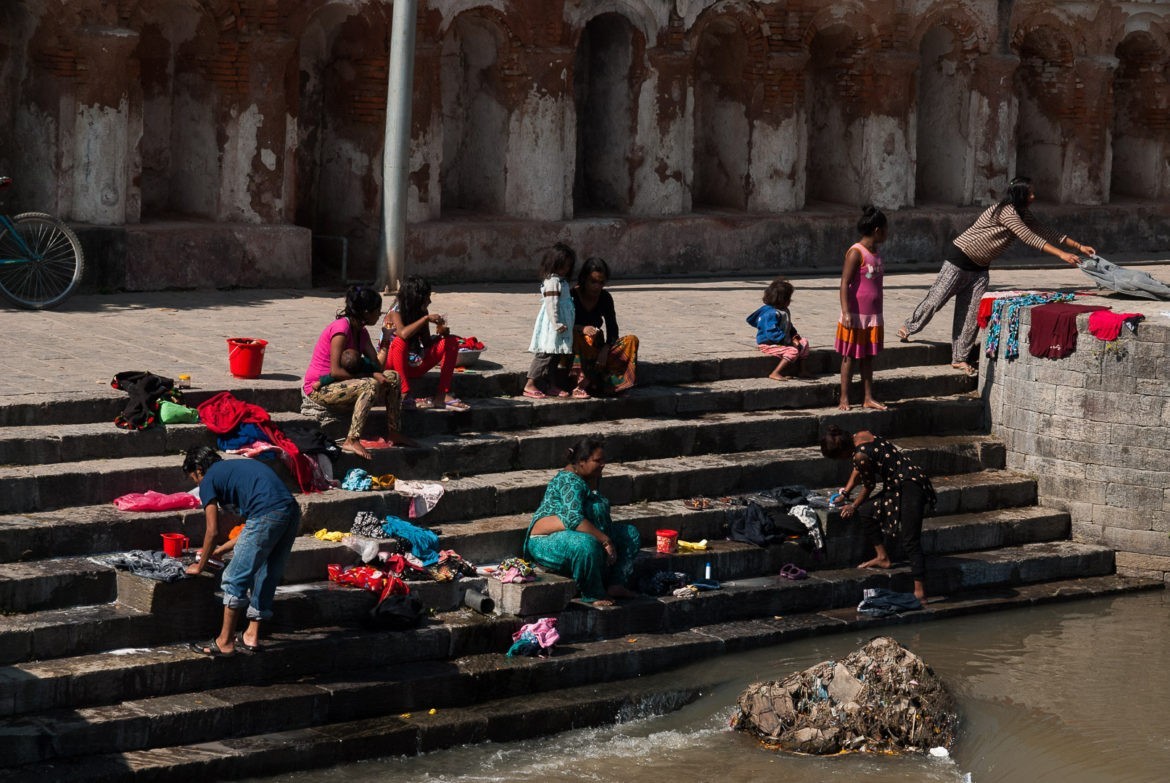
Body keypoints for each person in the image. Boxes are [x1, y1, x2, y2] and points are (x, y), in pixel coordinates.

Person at [898, 176, 1096, 376]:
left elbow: (1045, 231)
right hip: (959, 260)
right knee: (936, 300)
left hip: (980, 269)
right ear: (1020, 195)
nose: (1034, 197)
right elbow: (1029, 237)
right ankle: (909, 326)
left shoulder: (1023, 213)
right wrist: (1062, 254)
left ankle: (959, 358)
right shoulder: (1006, 212)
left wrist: (1079, 247)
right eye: (1030, 193)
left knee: (971, 316)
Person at [184, 447, 301, 656]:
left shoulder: (208, 479)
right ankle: (251, 636)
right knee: (267, 572)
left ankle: (224, 642)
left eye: (195, 478)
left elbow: (213, 530)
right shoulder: (236, 469)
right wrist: (219, 551)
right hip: (291, 511)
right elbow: (255, 529)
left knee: (234, 576)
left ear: (199, 470)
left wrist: (200, 566)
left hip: (267, 513)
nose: (198, 484)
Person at [820, 424, 936, 602]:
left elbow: (869, 485)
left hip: (909, 487)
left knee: (910, 539)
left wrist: (853, 506)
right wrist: (845, 493)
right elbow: (858, 468)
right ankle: (882, 557)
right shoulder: (861, 435)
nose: (841, 460)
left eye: (839, 457)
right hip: (899, 484)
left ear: (843, 451)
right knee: (867, 511)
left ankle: (920, 592)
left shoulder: (859, 455)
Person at [523, 437, 640, 605]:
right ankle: (593, 593)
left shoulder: (589, 476)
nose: (603, 464)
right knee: (586, 544)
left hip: (578, 532)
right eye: (597, 461)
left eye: (604, 460)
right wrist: (605, 540)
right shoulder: (569, 481)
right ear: (581, 462)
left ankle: (616, 584)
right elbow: (574, 518)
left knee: (629, 534)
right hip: (547, 540)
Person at [302, 285, 412, 459]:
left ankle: (394, 432)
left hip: (345, 382)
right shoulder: (341, 329)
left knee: (393, 377)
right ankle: (352, 439)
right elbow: (336, 371)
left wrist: (385, 340)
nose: (380, 314)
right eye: (377, 311)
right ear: (366, 312)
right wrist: (370, 375)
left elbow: (377, 367)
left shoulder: (362, 332)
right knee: (370, 385)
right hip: (321, 387)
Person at [381, 275, 468, 411]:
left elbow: (426, 343)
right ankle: (404, 394)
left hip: (414, 363)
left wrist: (442, 335)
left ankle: (441, 395)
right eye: (427, 297)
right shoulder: (394, 313)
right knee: (399, 342)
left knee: (451, 342)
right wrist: (425, 319)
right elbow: (403, 333)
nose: (430, 301)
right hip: (393, 366)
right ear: (417, 298)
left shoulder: (421, 312)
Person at [835, 206, 888, 411]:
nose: (887, 233)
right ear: (877, 230)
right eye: (885, 229)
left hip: (873, 315)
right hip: (856, 315)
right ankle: (844, 398)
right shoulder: (856, 252)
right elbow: (844, 283)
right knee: (849, 356)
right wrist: (846, 312)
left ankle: (868, 397)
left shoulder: (876, 252)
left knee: (868, 357)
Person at [568, 256, 639, 397]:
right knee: (582, 337)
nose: (597, 287)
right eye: (593, 282)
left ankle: (613, 385)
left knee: (632, 340)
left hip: (597, 348)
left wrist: (605, 350)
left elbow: (612, 328)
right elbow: (562, 325)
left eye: (601, 282)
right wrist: (581, 328)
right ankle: (580, 384)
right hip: (577, 347)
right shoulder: (571, 296)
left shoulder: (605, 297)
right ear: (584, 279)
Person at [523, 243, 576, 399]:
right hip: (553, 325)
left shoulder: (561, 281)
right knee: (545, 353)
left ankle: (550, 385)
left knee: (555, 355)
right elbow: (551, 305)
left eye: (568, 266)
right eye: (563, 265)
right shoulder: (552, 282)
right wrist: (556, 323)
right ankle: (530, 384)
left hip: (561, 325)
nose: (565, 269)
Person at [746, 276, 810, 381]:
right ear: (782, 300)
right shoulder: (770, 313)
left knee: (804, 343)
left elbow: (789, 326)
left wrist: (794, 337)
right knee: (793, 351)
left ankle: (802, 370)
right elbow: (772, 333)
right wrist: (790, 342)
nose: (790, 301)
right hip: (769, 344)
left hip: (783, 341)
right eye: (789, 298)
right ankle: (775, 372)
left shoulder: (784, 310)